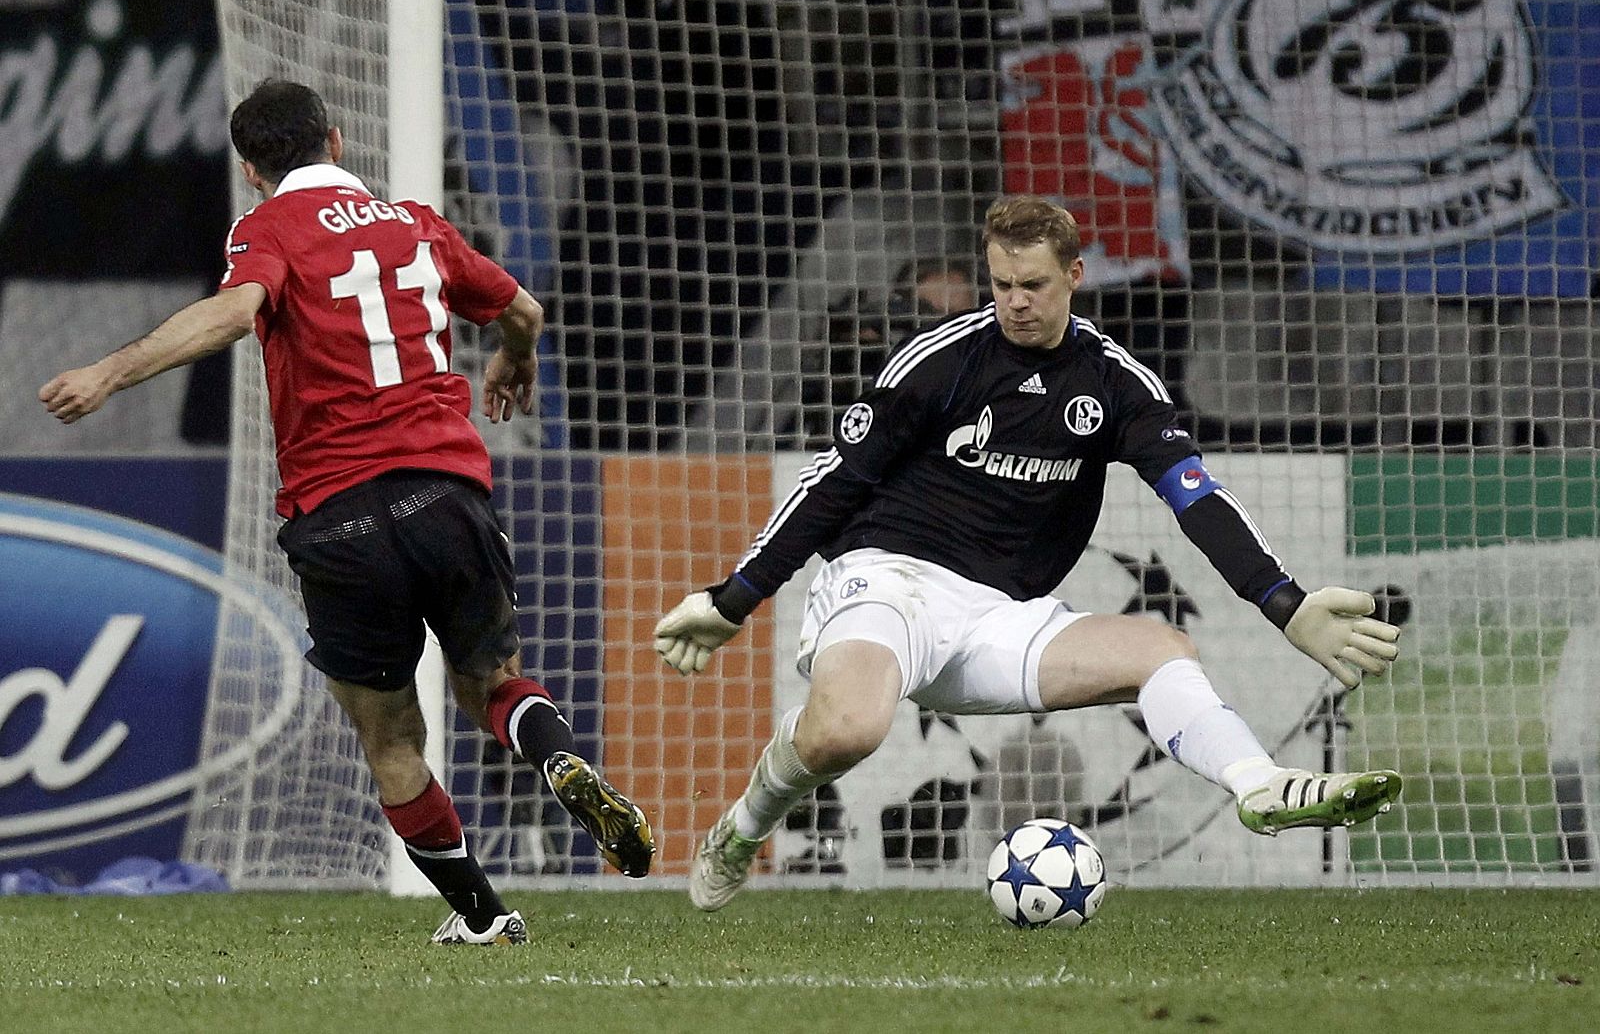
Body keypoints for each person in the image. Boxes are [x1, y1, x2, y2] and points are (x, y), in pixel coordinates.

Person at [653, 193, 1403, 911]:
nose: (1014, 300)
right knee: (847, 730)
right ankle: (742, 828)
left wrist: (1286, 601)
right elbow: (833, 480)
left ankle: (1260, 784)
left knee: (1162, 646)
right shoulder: (940, 359)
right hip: (889, 580)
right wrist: (734, 598)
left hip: (1000, 616)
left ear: (1073, 276)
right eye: (1002, 283)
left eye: (1033, 284)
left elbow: (1196, 498)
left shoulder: (1114, 385)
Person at [40, 79, 654, 943]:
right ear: (335, 139)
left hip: (338, 515)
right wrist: (513, 361)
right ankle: (555, 755)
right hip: (447, 491)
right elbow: (524, 308)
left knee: (392, 736)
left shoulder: (265, 230)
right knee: (495, 680)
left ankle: (482, 917)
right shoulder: (417, 223)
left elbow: (232, 311)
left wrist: (106, 372)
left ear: (251, 170)